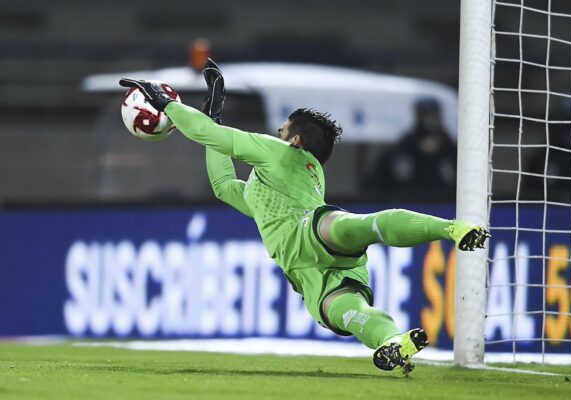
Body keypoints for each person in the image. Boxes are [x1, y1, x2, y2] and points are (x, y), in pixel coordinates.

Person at [119, 60, 490, 375]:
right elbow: (223, 184)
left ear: (294, 141)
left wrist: (168, 104)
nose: (275, 134)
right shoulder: (273, 183)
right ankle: (393, 341)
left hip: (309, 236)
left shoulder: (280, 155)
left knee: (351, 228)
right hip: (314, 267)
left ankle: (451, 229)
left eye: (281, 131)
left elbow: (213, 137)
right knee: (351, 310)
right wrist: (209, 118)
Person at [367, 97, 456, 202]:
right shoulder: (402, 149)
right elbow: (380, 183)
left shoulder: (451, 150)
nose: (428, 121)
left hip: (445, 209)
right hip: (409, 208)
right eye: (424, 114)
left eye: (432, 115)